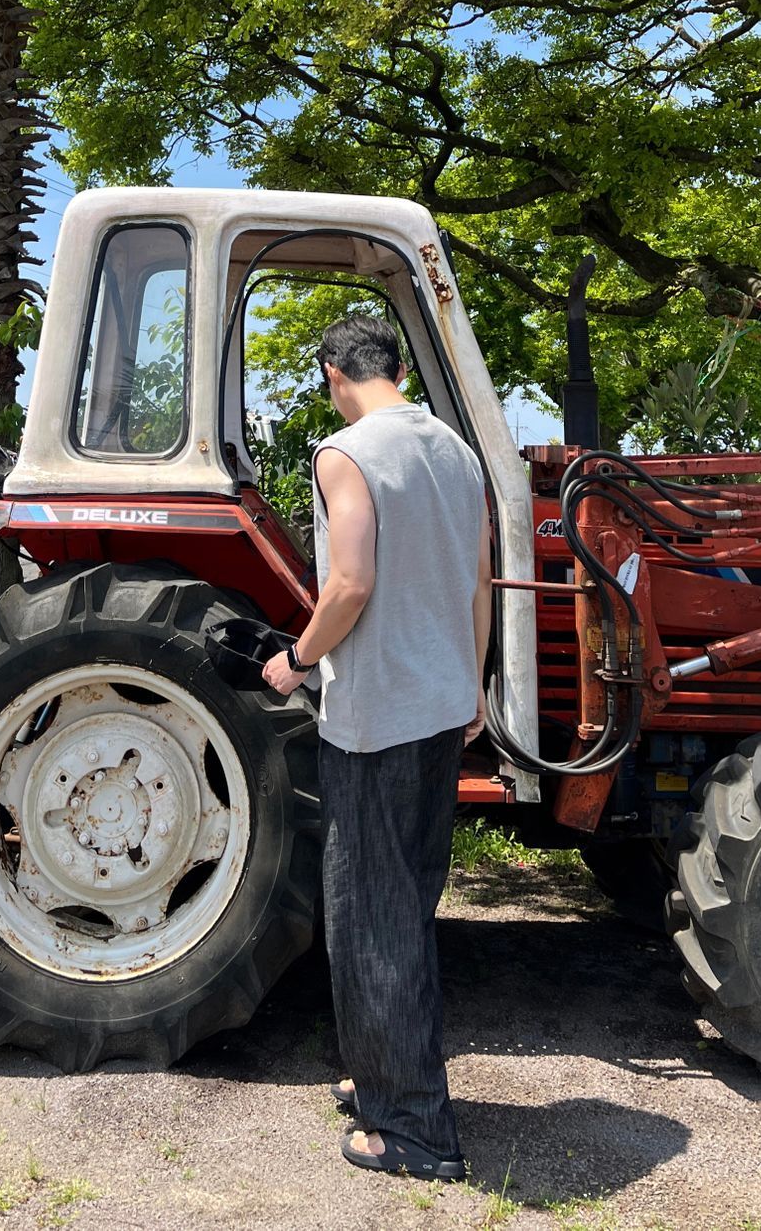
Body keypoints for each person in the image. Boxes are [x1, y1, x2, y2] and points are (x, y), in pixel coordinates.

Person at [263, 313, 491, 1182]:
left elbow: (351, 582)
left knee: (371, 920)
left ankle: (415, 1130)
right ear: (396, 368)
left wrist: (298, 658)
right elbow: (476, 581)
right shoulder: (457, 453)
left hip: (376, 717)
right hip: (439, 708)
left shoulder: (345, 453)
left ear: (334, 374)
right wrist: (472, 683)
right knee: (410, 901)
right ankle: (380, 1080)